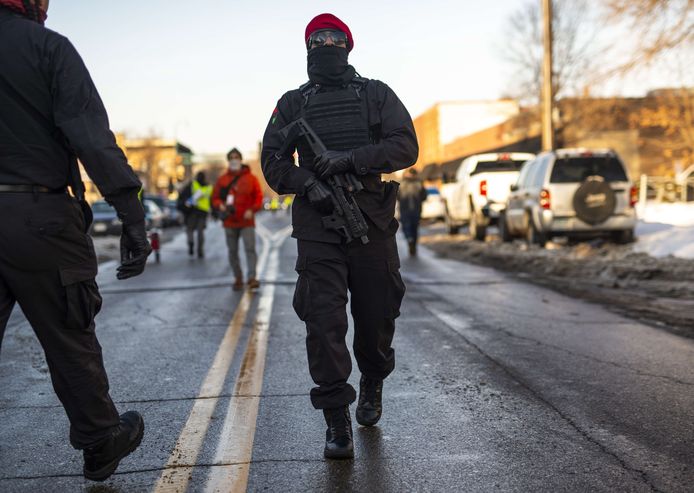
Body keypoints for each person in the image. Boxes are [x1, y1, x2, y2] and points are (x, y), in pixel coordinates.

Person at [0, 0, 149, 481]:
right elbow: (91, 137)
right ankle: (100, 440)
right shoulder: (47, 48)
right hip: (39, 216)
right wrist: (131, 215)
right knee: (69, 333)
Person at [261, 13, 418, 459]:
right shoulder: (293, 103)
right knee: (323, 321)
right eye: (317, 39)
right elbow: (272, 160)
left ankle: (372, 379)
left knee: (377, 314)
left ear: (348, 46)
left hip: (370, 219)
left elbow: (406, 146)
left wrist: (350, 159)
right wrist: (305, 182)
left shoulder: (375, 94)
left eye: (333, 38)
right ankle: (336, 421)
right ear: (308, 48)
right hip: (316, 224)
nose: (325, 44)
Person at [212, 148, 263, 291]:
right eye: (231, 158)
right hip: (229, 221)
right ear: (228, 161)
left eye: (236, 157)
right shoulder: (222, 180)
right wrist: (219, 205)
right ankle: (238, 278)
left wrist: (252, 210)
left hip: (247, 221)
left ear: (241, 159)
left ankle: (252, 278)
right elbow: (215, 198)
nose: (234, 160)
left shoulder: (251, 178)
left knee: (250, 249)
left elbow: (258, 196)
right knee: (232, 251)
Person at [178, 171, 211, 258]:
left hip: (192, 211)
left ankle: (191, 242)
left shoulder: (192, 185)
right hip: (203, 212)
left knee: (190, 230)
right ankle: (200, 250)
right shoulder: (208, 187)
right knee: (200, 232)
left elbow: (183, 196)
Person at [398, 168, 428, 256]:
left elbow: (397, 196)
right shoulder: (418, 183)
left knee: (408, 228)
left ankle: (410, 241)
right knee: (413, 228)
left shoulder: (402, 183)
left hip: (407, 210)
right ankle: (412, 244)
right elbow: (424, 196)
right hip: (413, 210)